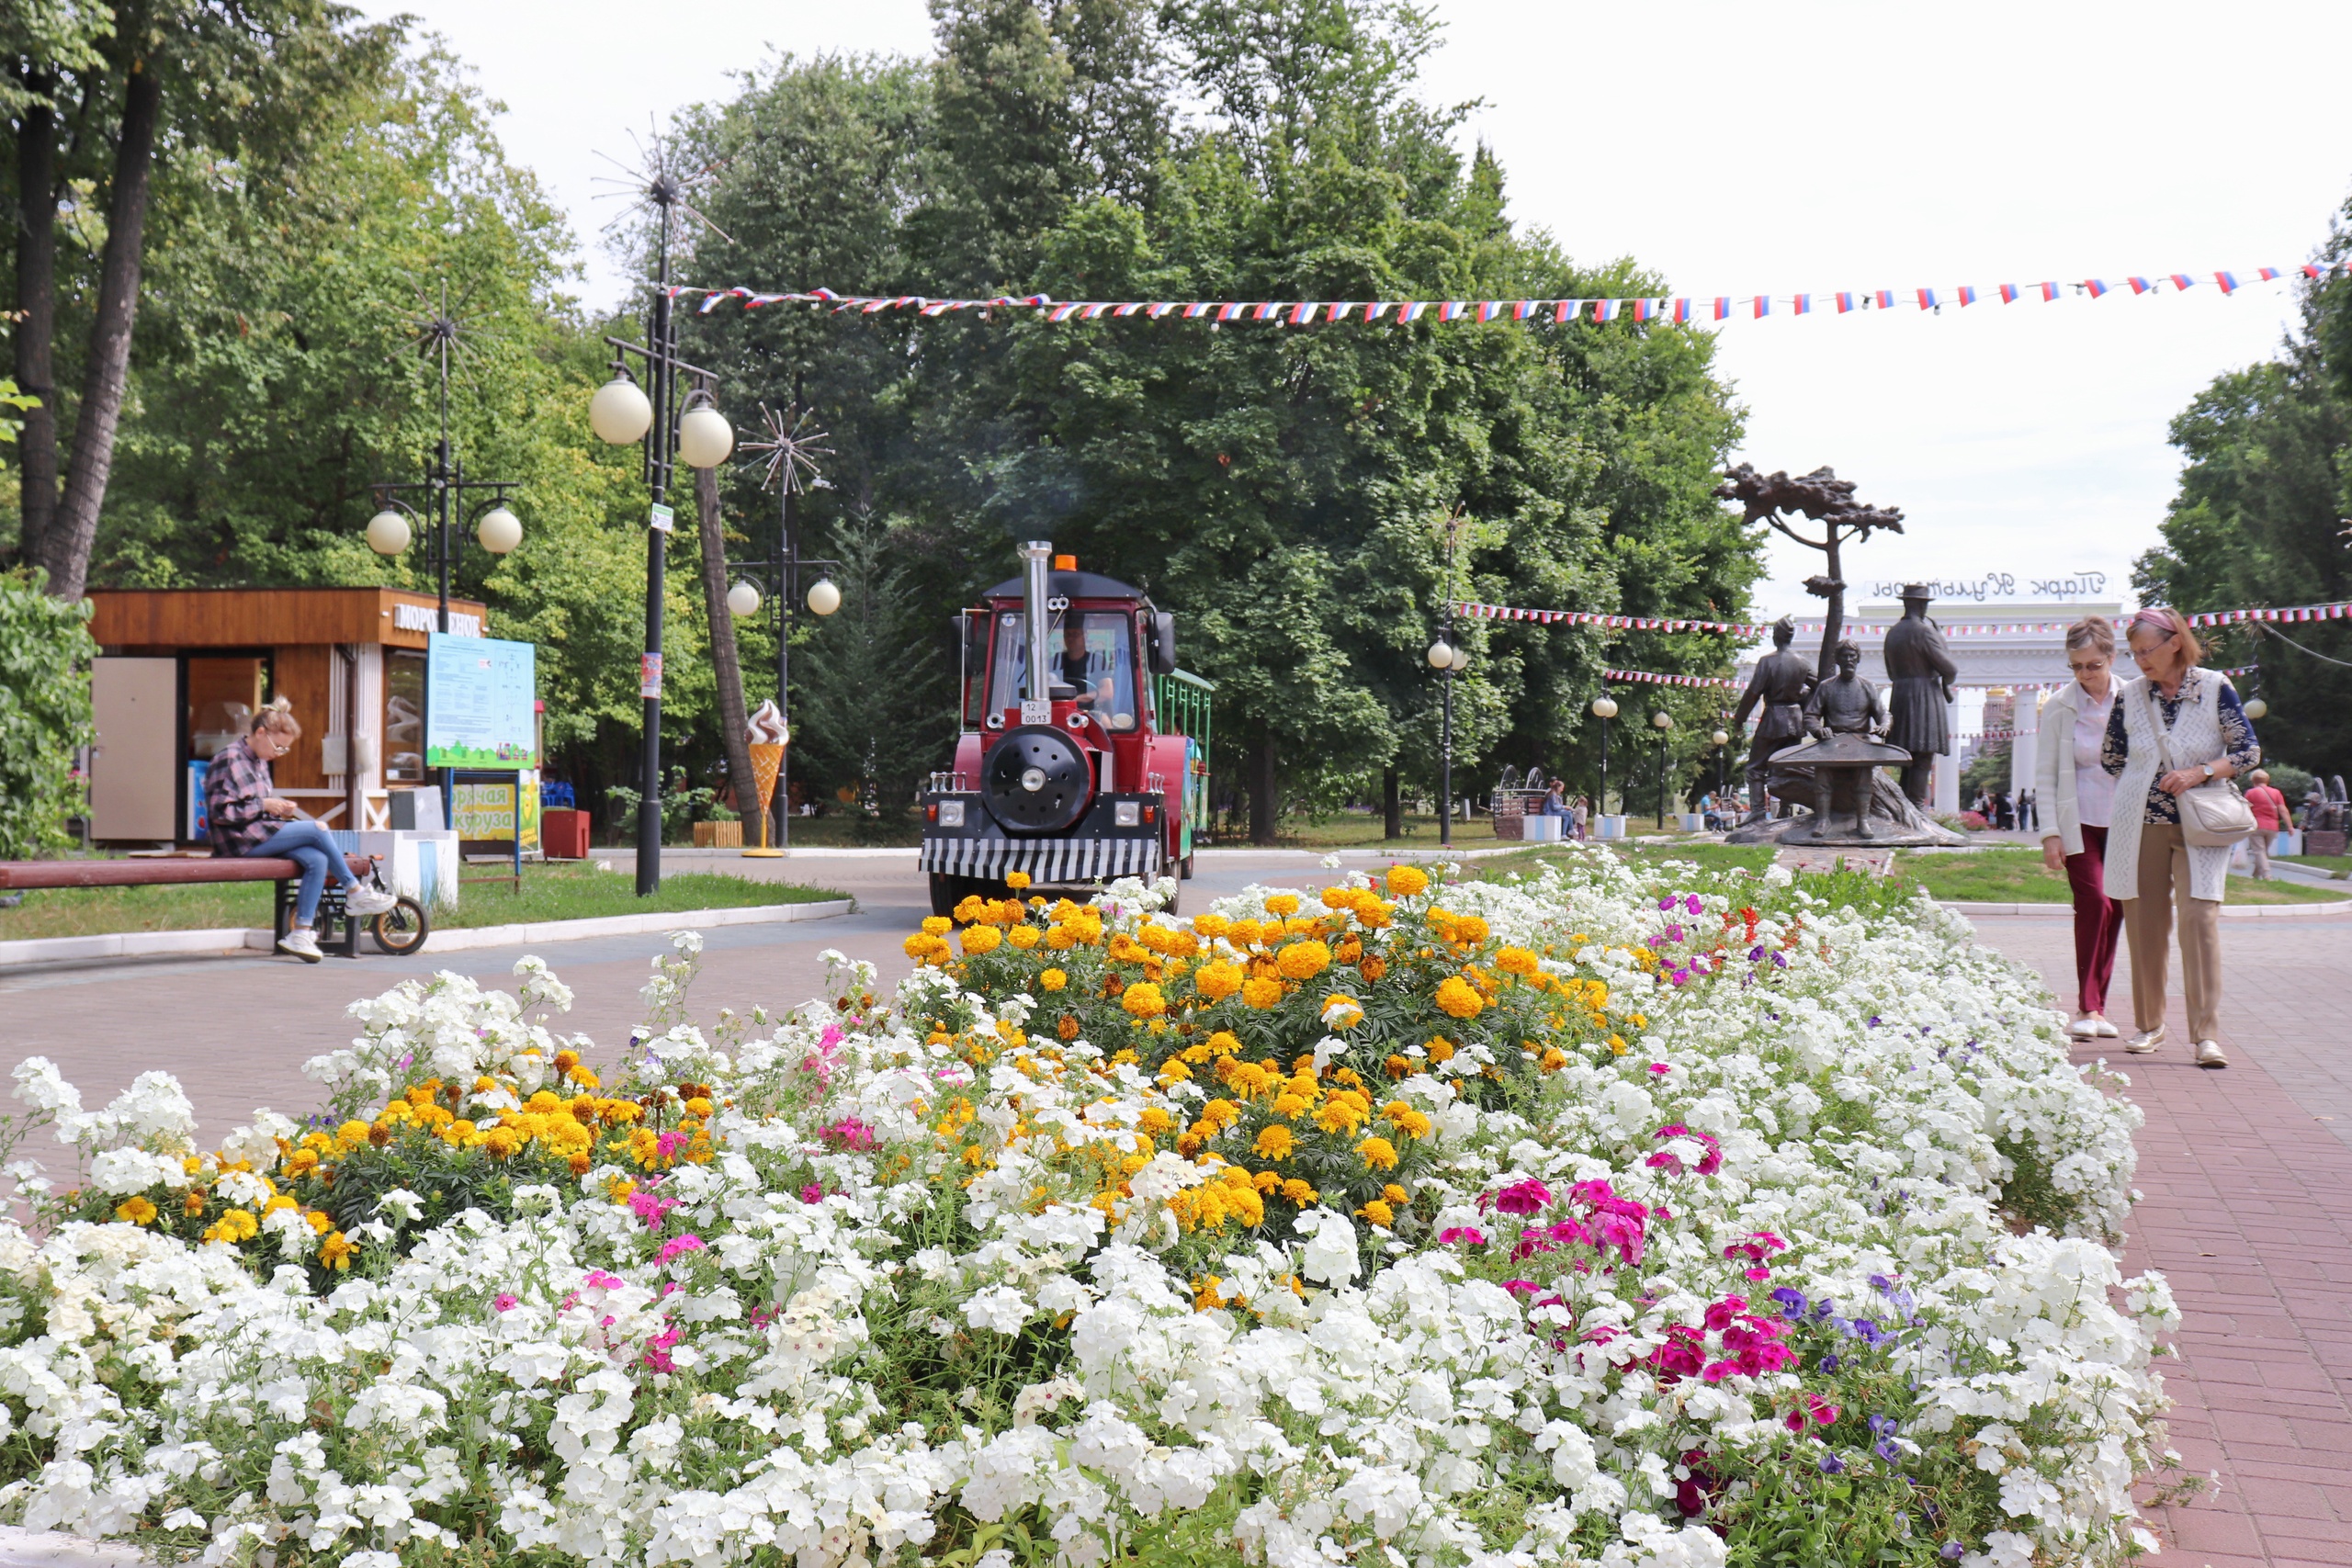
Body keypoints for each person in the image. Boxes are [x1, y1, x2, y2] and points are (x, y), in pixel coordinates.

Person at [2102, 606, 2260, 1068]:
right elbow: (2112, 756)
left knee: (2199, 920)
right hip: (2140, 824)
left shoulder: (2214, 687)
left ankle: (2206, 1036)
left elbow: (2247, 751)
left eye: (2145, 651)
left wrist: (2201, 771)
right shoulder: (2129, 695)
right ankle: (2149, 1026)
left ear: (2174, 642)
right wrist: (2141, 779)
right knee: (2145, 926)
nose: (2140, 661)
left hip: (2201, 825)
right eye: (2133, 654)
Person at [204, 699, 394, 962]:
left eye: (284, 750)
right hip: (237, 841)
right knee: (318, 829)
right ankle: (354, 892)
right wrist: (265, 804)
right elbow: (220, 813)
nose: (279, 753)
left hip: (258, 833)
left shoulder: (258, 761)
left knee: (317, 859)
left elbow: (253, 806)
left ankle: (301, 932)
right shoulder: (229, 758)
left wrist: (276, 808)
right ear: (260, 733)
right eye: (278, 746)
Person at [2036, 617, 2126, 1040]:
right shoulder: (2058, 706)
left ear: (2111, 657)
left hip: (2130, 823)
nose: (2085, 674)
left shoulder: (2136, 699)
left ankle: (2101, 1007)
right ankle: (2088, 1006)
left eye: (2093, 665)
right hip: (2079, 822)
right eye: (2076, 666)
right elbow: (2046, 775)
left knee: (2119, 909)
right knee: (2096, 904)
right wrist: (2050, 832)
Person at [1729, 615, 1815, 824]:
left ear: (1776, 637)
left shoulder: (1767, 662)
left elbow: (1753, 693)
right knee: (1787, 765)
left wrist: (1739, 719)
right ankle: (1785, 810)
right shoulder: (1802, 663)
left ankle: (1758, 810)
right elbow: (1820, 686)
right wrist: (1803, 700)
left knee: (1755, 767)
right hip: (1796, 722)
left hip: (1774, 719)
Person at [2243, 769, 2290, 879]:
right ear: (2267, 780)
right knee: (2263, 852)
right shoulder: (2276, 792)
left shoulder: (2251, 793)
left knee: (2259, 851)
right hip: (2273, 827)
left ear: (2253, 781)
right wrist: (2290, 826)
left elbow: (2245, 809)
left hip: (2257, 825)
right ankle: (2255, 875)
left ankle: (2266, 874)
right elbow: (2283, 810)